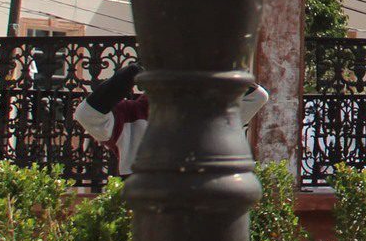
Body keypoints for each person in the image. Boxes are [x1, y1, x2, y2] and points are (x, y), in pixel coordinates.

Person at [74, 63, 267, 177]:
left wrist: (208, 69)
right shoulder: (128, 115)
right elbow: (86, 115)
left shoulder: (204, 114)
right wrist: (128, 75)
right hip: (146, 217)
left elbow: (257, 97)